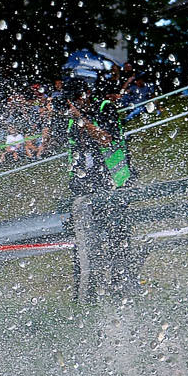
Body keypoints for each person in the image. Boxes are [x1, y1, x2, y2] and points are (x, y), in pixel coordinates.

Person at [60, 77, 132, 301]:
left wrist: (81, 119)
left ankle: (121, 286)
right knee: (83, 240)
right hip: (86, 187)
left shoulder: (104, 109)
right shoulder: (72, 121)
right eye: (71, 101)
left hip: (113, 183)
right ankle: (84, 290)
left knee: (117, 237)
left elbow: (105, 139)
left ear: (87, 94)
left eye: (77, 99)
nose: (75, 105)